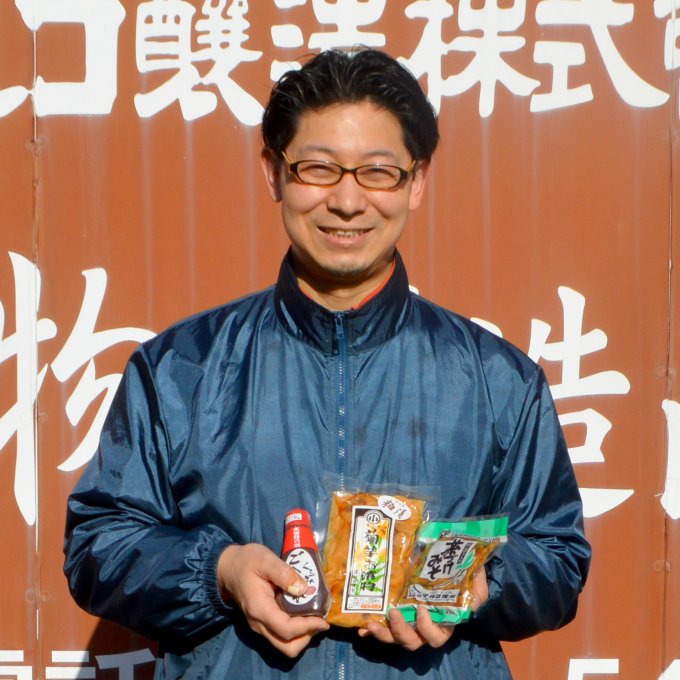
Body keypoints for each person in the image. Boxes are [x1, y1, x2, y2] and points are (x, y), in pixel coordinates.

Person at [64, 49, 591, 680]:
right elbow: (98, 546)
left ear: (417, 181)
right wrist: (220, 572)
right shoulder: (181, 369)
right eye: (318, 168)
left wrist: (477, 581)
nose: (347, 201)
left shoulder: (498, 380)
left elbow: (558, 558)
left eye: (378, 172)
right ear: (274, 173)